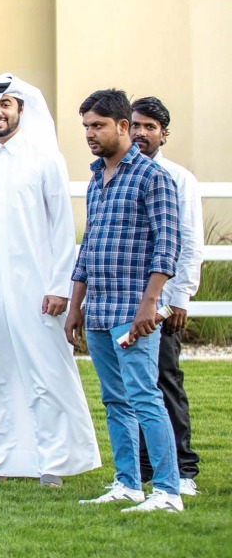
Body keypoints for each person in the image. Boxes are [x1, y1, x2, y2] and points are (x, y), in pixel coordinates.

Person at [0, 74, 100, 486]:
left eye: (5, 105)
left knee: (45, 373)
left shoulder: (46, 161)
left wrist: (58, 287)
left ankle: (52, 464)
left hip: (37, 289)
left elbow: (63, 230)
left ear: (20, 110)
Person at [68, 89, 183, 513]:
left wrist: (149, 305)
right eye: (85, 127)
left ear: (123, 127)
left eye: (97, 126)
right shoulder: (96, 178)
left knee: (144, 397)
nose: (90, 134)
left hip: (133, 311)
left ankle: (168, 491)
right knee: (114, 400)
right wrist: (75, 306)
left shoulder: (154, 178)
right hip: (97, 310)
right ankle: (128, 483)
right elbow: (88, 247)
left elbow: (166, 248)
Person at [130, 96, 203, 496]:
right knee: (132, 387)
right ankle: (144, 469)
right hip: (125, 297)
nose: (141, 132)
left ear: (163, 133)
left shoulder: (178, 179)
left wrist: (179, 299)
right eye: (136, 125)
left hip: (161, 303)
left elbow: (189, 243)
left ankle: (184, 470)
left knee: (163, 381)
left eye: (150, 127)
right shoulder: (118, 172)